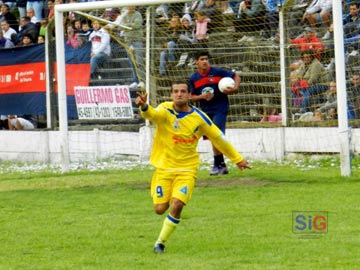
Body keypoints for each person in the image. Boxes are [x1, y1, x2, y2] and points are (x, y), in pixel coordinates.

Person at [135, 79, 250, 254]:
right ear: (171, 94)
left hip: (187, 170)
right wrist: (144, 107)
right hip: (164, 169)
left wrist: (238, 159)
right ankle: (161, 205)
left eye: (182, 91)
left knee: (178, 204)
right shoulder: (165, 109)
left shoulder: (199, 118)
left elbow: (218, 138)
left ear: (189, 95)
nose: (179, 94)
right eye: (175, 91)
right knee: (159, 209)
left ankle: (160, 243)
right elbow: (152, 115)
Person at [189, 50, 240, 175]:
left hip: (220, 108)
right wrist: (202, 97)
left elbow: (236, 76)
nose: (205, 61)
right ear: (196, 62)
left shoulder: (218, 72)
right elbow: (191, 97)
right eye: (202, 59)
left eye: (206, 59)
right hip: (206, 111)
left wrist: (235, 88)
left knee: (216, 134)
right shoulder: (194, 78)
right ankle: (220, 165)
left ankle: (218, 164)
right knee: (213, 137)